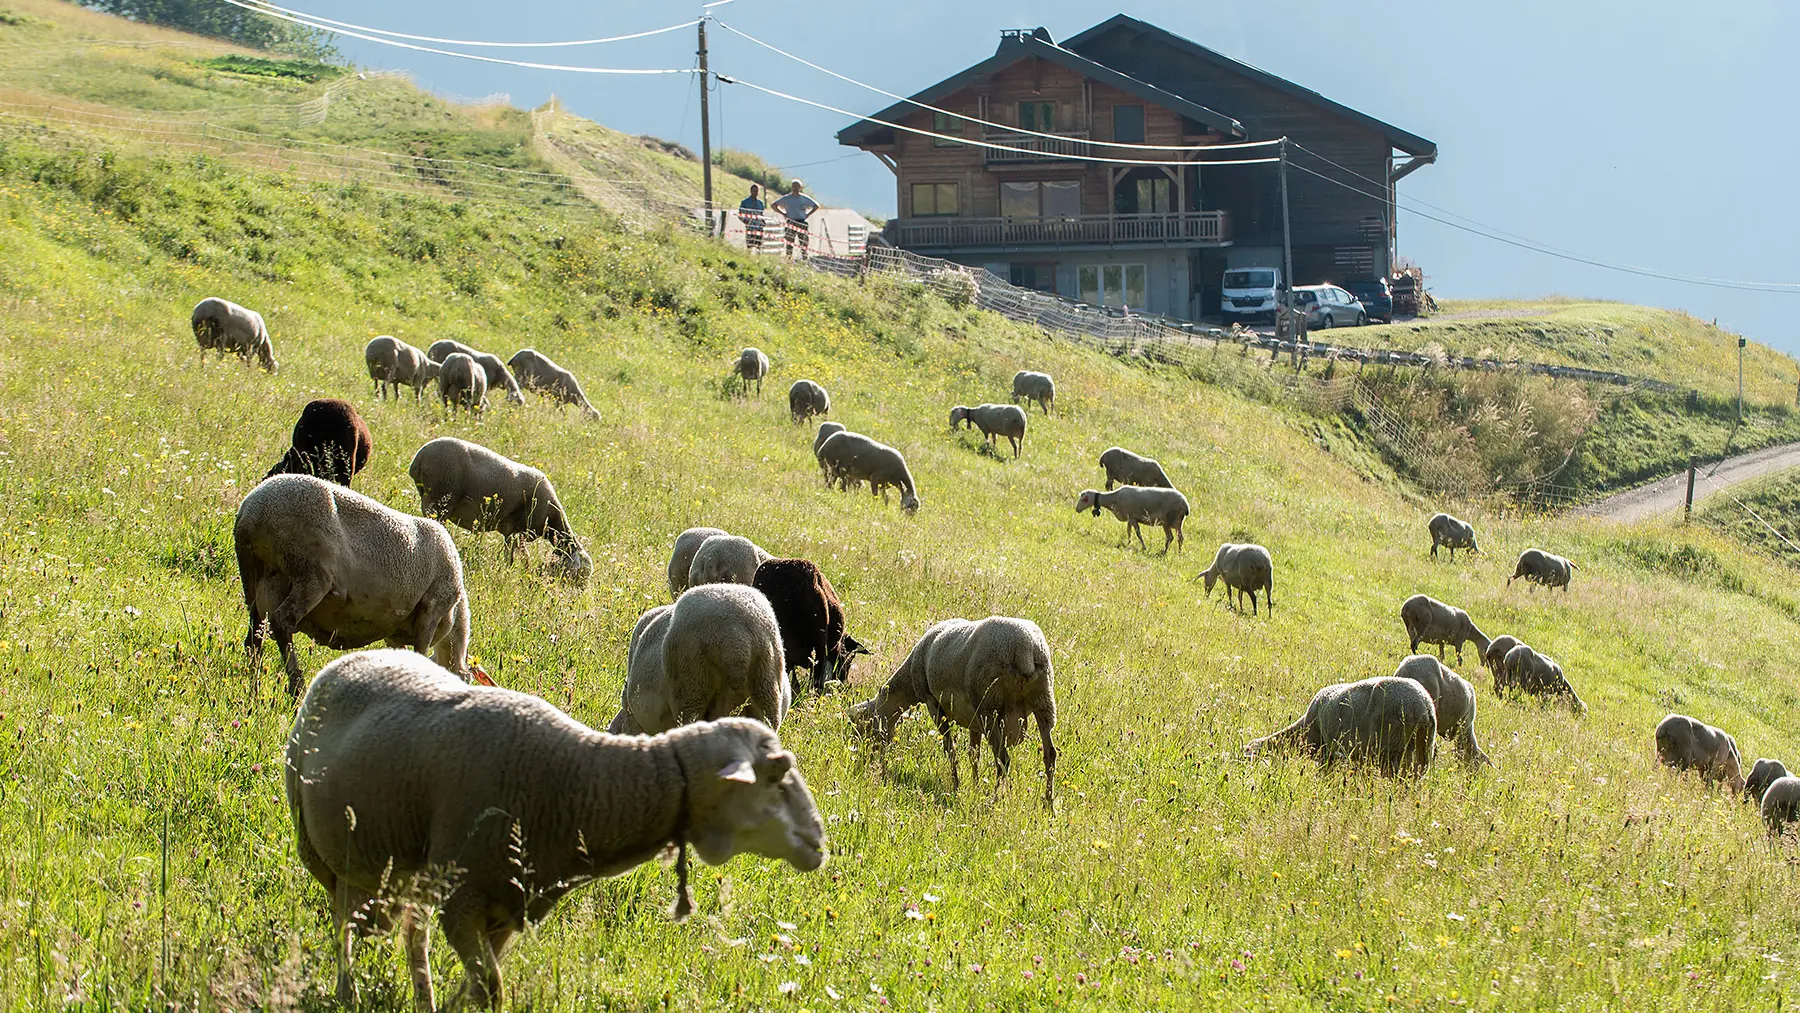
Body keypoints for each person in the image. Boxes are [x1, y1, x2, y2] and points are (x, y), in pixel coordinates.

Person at [771, 178, 820, 260]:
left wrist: (808, 214)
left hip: (801, 222)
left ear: (800, 188)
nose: (795, 188)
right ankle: (788, 258)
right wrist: (783, 213)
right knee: (789, 242)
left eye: (797, 186)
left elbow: (816, 206)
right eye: (793, 186)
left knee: (803, 242)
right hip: (791, 222)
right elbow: (774, 205)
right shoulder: (787, 198)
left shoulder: (804, 198)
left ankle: (804, 258)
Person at [737, 184, 766, 250]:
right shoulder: (745, 202)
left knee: (759, 246)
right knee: (750, 245)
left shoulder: (760, 203)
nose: (755, 193)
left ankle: (757, 258)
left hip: (759, 227)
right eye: (754, 191)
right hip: (750, 227)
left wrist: (763, 222)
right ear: (751, 191)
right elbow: (740, 215)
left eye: (756, 191)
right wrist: (746, 222)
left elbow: (761, 214)